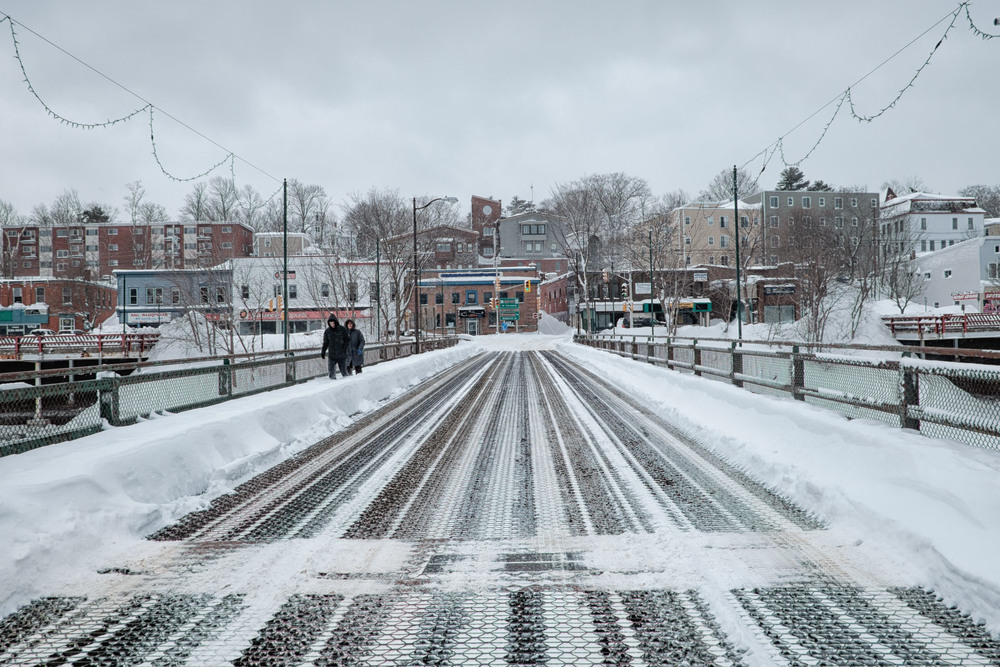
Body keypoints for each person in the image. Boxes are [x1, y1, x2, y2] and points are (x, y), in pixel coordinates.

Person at [320, 314, 350, 379]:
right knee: (331, 373)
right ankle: (332, 383)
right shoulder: (327, 331)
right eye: (330, 323)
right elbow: (325, 342)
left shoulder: (342, 329)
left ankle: (346, 384)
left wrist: (344, 348)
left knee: (344, 372)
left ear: (336, 322)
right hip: (332, 355)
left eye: (333, 323)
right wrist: (323, 352)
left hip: (341, 354)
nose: (332, 324)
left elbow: (347, 340)